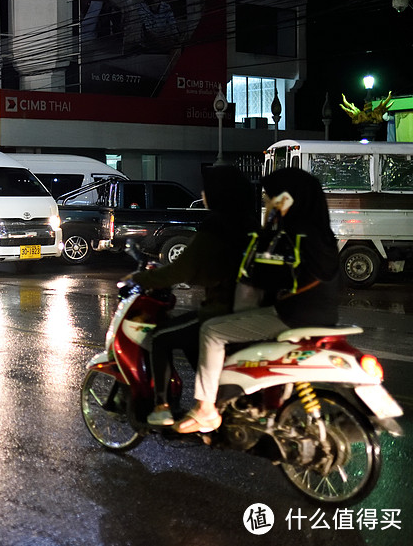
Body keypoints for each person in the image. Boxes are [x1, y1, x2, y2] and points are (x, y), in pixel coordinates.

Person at [175, 167, 339, 433]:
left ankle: (205, 409)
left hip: (293, 315)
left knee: (211, 331)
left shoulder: (291, 234)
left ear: (287, 199)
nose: (267, 202)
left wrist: (270, 224)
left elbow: (261, 275)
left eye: (271, 197)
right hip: (326, 317)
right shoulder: (322, 232)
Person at [126, 164, 257, 426]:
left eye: (207, 189)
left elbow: (181, 271)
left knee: (161, 337)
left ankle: (161, 407)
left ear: (219, 193)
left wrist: (139, 278)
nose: (202, 193)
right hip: (248, 308)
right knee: (186, 336)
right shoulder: (248, 223)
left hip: (222, 310)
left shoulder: (216, 228)